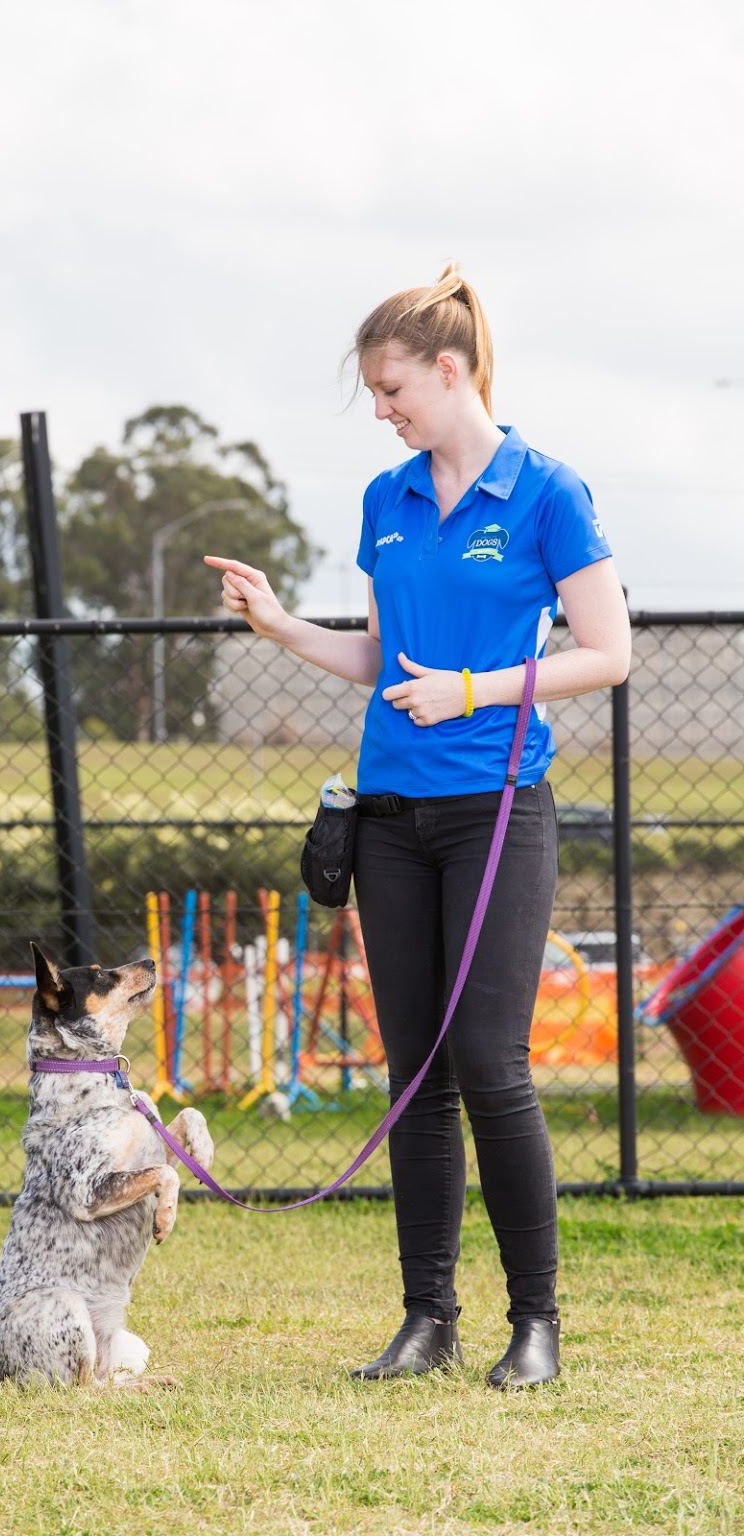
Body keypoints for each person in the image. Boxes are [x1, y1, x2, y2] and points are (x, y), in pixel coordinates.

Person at [204, 262, 631, 1391]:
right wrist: (281, 623)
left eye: (392, 389)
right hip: (387, 817)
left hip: (495, 813)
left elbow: (607, 652)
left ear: (450, 371)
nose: (383, 411)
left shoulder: (548, 492)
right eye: (376, 395)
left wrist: (477, 690)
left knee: (491, 1064)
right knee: (416, 1074)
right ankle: (424, 1319)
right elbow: (381, 663)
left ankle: (533, 1323)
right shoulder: (385, 502)